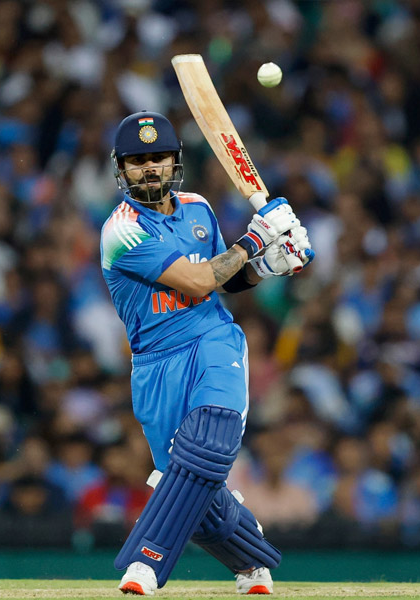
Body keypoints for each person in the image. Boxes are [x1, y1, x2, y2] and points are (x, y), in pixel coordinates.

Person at [101, 111, 313, 596]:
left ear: (175, 161)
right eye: (137, 161)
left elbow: (227, 280)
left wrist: (269, 264)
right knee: (193, 487)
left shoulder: (198, 208)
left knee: (209, 441)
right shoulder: (121, 229)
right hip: (155, 365)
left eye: (158, 157)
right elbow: (198, 280)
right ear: (122, 169)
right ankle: (252, 559)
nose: (149, 168)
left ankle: (145, 562)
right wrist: (256, 239)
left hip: (213, 340)